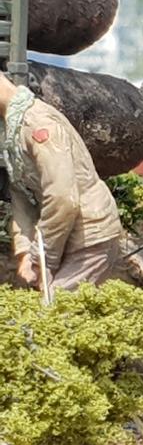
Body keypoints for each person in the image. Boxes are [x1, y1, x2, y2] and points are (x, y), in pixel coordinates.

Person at [0, 71, 122, 289]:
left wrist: (42, 256)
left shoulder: (38, 124)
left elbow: (62, 197)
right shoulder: (11, 131)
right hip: (60, 237)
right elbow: (21, 195)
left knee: (58, 306)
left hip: (90, 238)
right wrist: (25, 251)